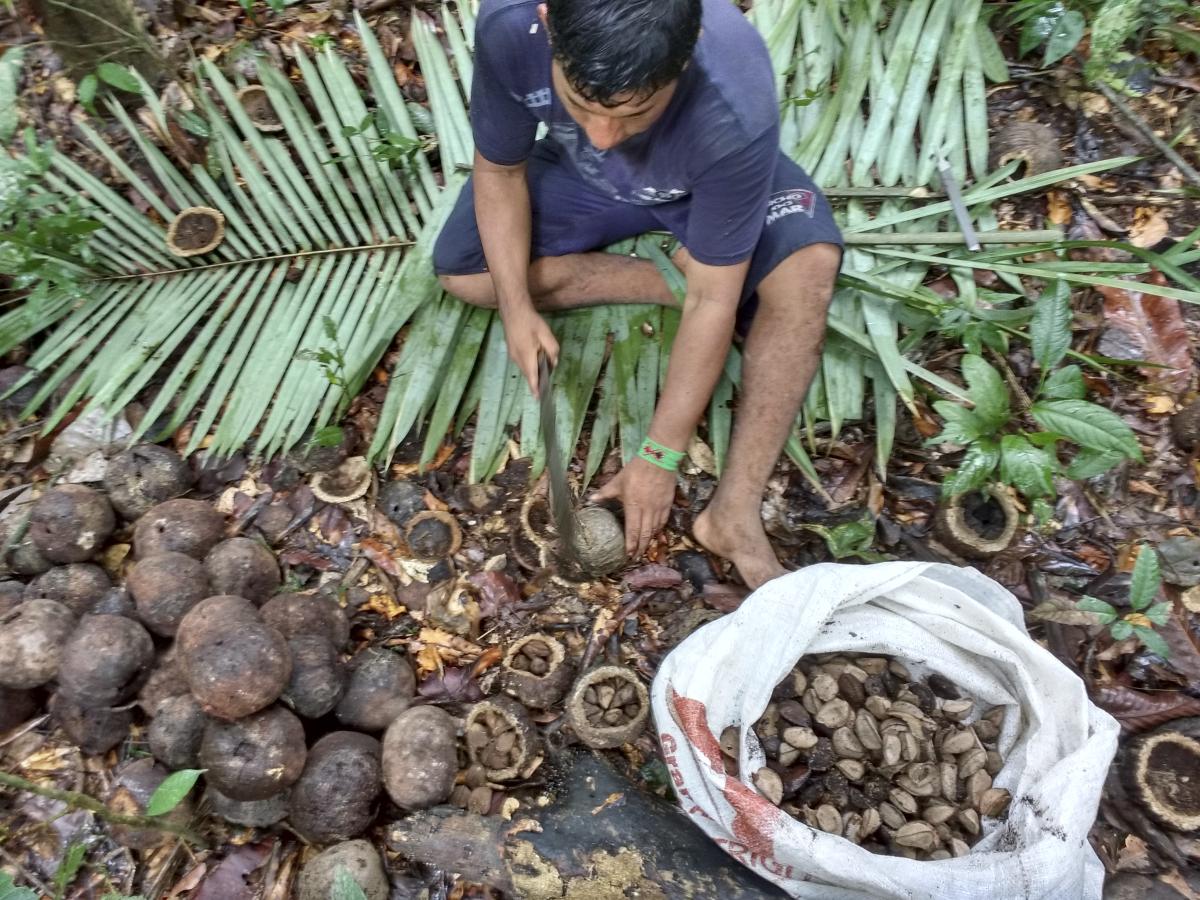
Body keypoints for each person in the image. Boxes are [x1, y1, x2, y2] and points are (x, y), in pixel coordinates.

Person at [434, 0, 842, 589]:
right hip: (584, 181)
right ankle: (675, 276)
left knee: (808, 273)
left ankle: (733, 512)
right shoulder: (511, 25)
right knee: (469, 274)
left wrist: (660, 454)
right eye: (579, 105)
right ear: (549, 21)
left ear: (688, 49)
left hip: (702, 182)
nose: (603, 135)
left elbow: (713, 304)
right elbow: (500, 172)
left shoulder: (733, 102)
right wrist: (518, 310)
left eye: (637, 111)